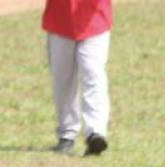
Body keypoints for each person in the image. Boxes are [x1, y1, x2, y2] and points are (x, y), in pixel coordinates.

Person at [43, 0, 113, 155]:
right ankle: (67, 135)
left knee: (93, 74)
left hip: (95, 20)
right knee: (62, 80)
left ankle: (96, 132)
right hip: (60, 19)